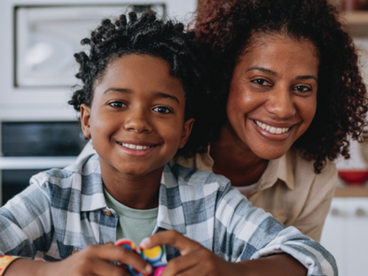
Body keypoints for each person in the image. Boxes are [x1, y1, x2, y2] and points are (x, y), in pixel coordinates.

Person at [0, 11, 337, 276]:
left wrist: (231, 273)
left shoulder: (209, 199)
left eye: (162, 109)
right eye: (118, 104)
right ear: (87, 120)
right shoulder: (53, 195)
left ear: (185, 132)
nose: (138, 122)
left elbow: (315, 260)